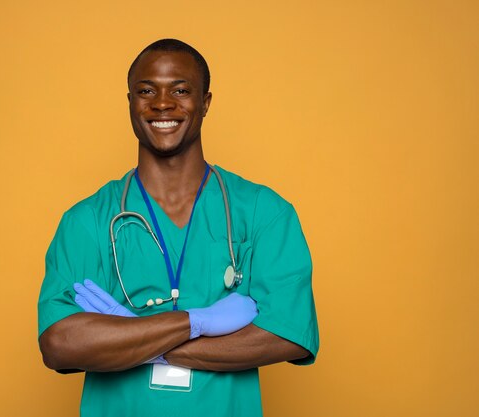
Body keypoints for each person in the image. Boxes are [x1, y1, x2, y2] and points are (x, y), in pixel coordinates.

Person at [37, 38, 319, 417]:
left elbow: (285, 334)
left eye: (181, 90)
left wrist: (130, 337)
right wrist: (197, 322)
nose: (162, 103)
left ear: (205, 103)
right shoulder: (86, 221)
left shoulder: (262, 212)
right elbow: (60, 344)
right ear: (130, 103)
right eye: (146, 90)